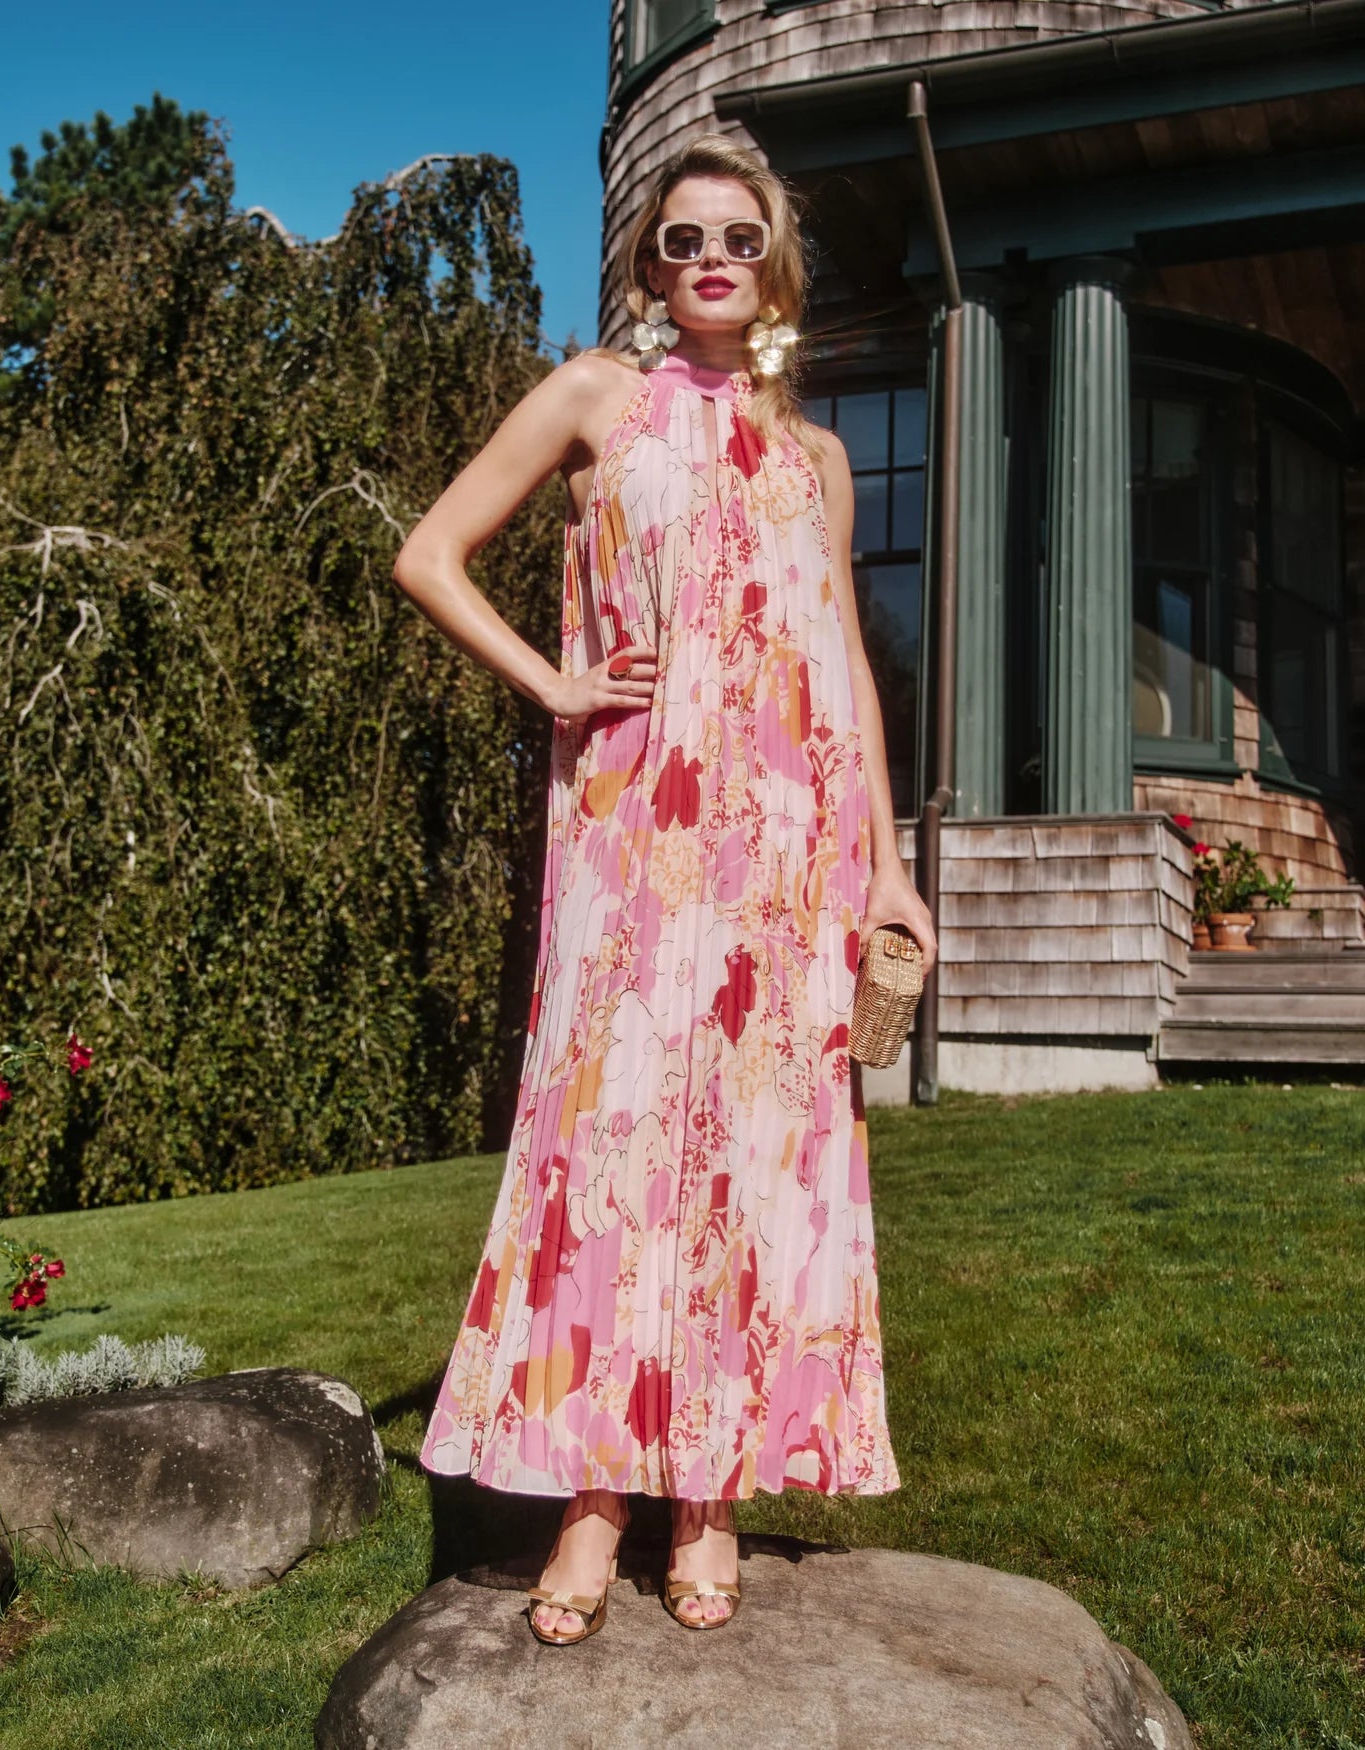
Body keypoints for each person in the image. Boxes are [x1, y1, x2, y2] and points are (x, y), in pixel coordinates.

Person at [392, 132, 936, 1647]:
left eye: (740, 240)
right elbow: (430, 554)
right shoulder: (594, 398)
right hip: (634, 829)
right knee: (611, 1139)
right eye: (685, 238)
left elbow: (842, 667)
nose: (712, 260)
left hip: (789, 852)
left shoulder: (816, 458)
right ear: (649, 263)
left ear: (774, 269)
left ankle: (710, 1496)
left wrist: (889, 866)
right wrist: (556, 684)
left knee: (759, 1156)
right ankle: (592, 1496)